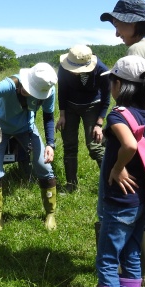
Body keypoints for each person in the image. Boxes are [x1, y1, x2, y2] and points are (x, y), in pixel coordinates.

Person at [76, 0, 145, 287]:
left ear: (134, 23)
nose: (117, 32)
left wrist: (120, 157)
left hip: (130, 135)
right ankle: (140, 279)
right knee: (143, 210)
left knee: (113, 210)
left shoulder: (136, 52)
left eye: (118, 24)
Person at [71, 55, 145, 287]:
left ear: (122, 85)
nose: (111, 85)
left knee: (107, 260)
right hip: (141, 202)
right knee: (132, 256)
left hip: (119, 201)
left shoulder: (118, 115)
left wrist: (118, 167)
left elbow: (130, 146)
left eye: (113, 81)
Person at [0, 62, 58, 232]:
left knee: (44, 166)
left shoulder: (49, 91)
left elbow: (48, 117)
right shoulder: (8, 85)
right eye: (28, 89)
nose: (29, 93)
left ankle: (50, 213)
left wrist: (50, 144)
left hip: (26, 128)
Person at [56, 44, 110, 192]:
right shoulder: (63, 68)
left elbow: (106, 98)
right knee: (69, 146)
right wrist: (62, 114)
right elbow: (62, 90)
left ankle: (110, 184)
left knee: (94, 146)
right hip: (70, 107)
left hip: (93, 106)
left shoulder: (102, 70)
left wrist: (99, 123)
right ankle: (71, 185)